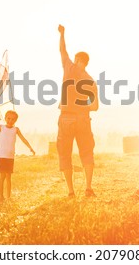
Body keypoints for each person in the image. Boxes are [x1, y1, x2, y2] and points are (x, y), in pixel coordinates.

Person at [57, 24, 99, 197]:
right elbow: (95, 107)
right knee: (87, 153)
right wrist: (82, 107)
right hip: (83, 119)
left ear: (77, 59)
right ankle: (88, 188)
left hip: (66, 118)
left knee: (65, 155)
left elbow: (62, 49)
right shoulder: (90, 80)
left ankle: (71, 191)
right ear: (87, 62)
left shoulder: (68, 67)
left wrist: (62, 33)